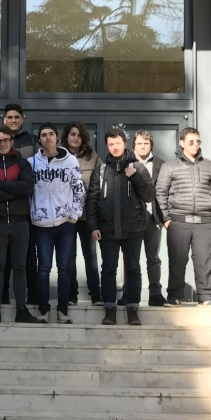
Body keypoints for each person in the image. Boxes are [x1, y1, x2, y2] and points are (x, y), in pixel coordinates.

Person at [87, 128, 155, 327]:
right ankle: (110, 309)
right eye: (111, 144)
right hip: (107, 229)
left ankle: (133, 309)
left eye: (118, 143)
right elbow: (91, 201)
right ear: (107, 146)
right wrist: (93, 226)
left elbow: (149, 195)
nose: (115, 147)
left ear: (125, 144)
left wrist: (135, 177)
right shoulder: (100, 171)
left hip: (133, 228)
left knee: (133, 268)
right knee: (108, 269)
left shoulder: (138, 167)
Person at [156, 127, 211, 306]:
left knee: (204, 263)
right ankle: (174, 297)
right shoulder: (169, 166)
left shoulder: (210, 166)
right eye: (191, 141)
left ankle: (206, 297)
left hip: (205, 223)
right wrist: (166, 219)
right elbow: (160, 193)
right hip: (178, 222)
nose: (195, 145)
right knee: (177, 262)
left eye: (198, 141)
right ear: (182, 143)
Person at [0, 126, 39, 323]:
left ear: (11, 142)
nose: (2, 143)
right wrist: (15, 191)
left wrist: (2, 185)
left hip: (20, 222)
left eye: (5, 140)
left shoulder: (22, 164)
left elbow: (27, 188)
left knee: (20, 267)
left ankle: (21, 310)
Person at [29, 123, 84, 324]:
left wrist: (75, 216)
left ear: (57, 138)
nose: (47, 137)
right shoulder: (31, 163)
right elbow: (27, 192)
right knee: (43, 268)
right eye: (43, 135)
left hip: (65, 222)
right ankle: (43, 310)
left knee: (65, 268)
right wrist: (33, 215)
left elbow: (79, 189)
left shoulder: (71, 161)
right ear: (39, 140)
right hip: (41, 224)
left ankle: (63, 310)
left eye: (51, 134)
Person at [0, 104, 39, 305]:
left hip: (26, 208)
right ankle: (3, 296)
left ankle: (32, 296)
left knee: (28, 256)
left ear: (23, 118)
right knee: (3, 257)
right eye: (10, 117)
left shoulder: (32, 140)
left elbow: (35, 176)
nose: (13, 120)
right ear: (4, 119)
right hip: (2, 208)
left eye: (16, 117)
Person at [62, 121, 103, 306]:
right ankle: (72, 294)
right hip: (66, 217)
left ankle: (95, 295)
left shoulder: (93, 157)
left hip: (87, 215)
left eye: (79, 135)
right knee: (69, 257)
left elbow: (101, 184)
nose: (75, 138)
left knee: (90, 256)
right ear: (67, 136)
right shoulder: (60, 156)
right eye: (72, 134)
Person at [126, 130, 168, 307]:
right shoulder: (126, 163)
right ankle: (128, 293)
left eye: (146, 143)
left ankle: (155, 294)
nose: (143, 147)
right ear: (133, 145)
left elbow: (165, 191)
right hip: (132, 219)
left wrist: (164, 216)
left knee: (153, 258)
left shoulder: (161, 164)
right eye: (139, 144)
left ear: (151, 145)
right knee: (131, 259)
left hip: (153, 218)